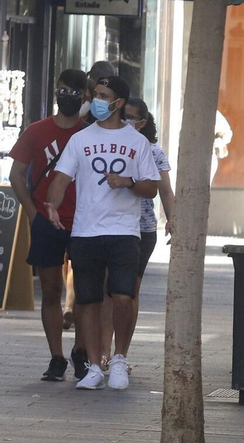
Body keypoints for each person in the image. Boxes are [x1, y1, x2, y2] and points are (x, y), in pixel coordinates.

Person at [42, 76, 160, 391]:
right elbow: (61, 178)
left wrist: (128, 183)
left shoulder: (137, 142)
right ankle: (94, 365)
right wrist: (51, 204)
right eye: (95, 94)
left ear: (118, 102)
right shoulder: (80, 139)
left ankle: (119, 357)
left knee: (123, 295)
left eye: (103, 95)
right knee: (88, 300)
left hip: (124, 231)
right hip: (86, 231)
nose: (96, 100)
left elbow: (152, 187)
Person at [12, 68, 89, 381]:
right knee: (51, 288)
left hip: (83, 222)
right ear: (55, 92)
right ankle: (56, 357)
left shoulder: (89, 134)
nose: (67, 97)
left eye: (73, 92)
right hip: (46, 220)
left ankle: (81, 353)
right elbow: (17, 173)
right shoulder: (36, 131)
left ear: (84, 96)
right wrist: (31, 212)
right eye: (63, 90)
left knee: (85, 292)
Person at [111, 99, 175, 367]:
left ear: (142, 123)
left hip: (143, 229)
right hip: (111, 225)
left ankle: (121, 353)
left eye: (132, 118)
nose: (126, 122)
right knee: (108, 291)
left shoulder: (153, 151)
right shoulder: (110, 145)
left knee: (130, 290)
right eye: (123, 116)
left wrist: (173, 219)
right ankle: (103, 350)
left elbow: (165, 190)